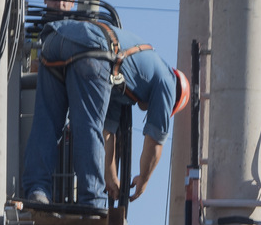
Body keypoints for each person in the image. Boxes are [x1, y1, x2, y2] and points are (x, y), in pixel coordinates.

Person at [19, 18, 190, 210]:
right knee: (86, 126)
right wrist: (143, 179)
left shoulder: (125, 81)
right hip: (91, 48)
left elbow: (106, 133)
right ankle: (92, 202)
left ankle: (37, 191)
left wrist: (111, 177)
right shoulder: (168, 83)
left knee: (47, 123)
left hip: (54, 40)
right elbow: (154, 144)